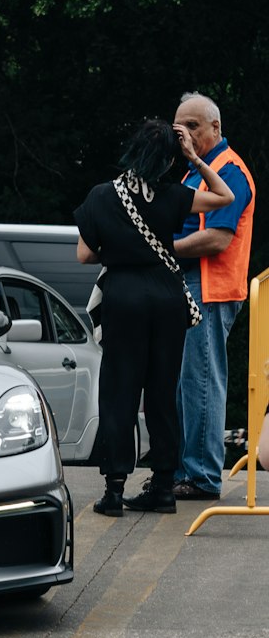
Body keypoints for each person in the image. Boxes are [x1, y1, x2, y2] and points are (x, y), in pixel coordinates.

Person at [74, 118, 234, 516]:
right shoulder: (174, 195)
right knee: (163, 394)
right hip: (167, 300)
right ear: (168, 158)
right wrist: (195, 159)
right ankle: (163, 487)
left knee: (119, 394)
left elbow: (84, 255)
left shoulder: (100, 196)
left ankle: (113, 491)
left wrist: (117, 247)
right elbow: (224, 196)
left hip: (123, 299)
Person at [171, 93, 256, 501]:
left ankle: (202, 476)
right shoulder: (195, 171)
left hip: (210, 288)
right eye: (179, 128)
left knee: (201, 382)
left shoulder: (228, 169)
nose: (184, 135)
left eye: (193, 126)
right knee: (188, 383)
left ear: (216, 128)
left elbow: (218, 238)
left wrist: (161, 248)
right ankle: (189, 470)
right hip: (195, 286)